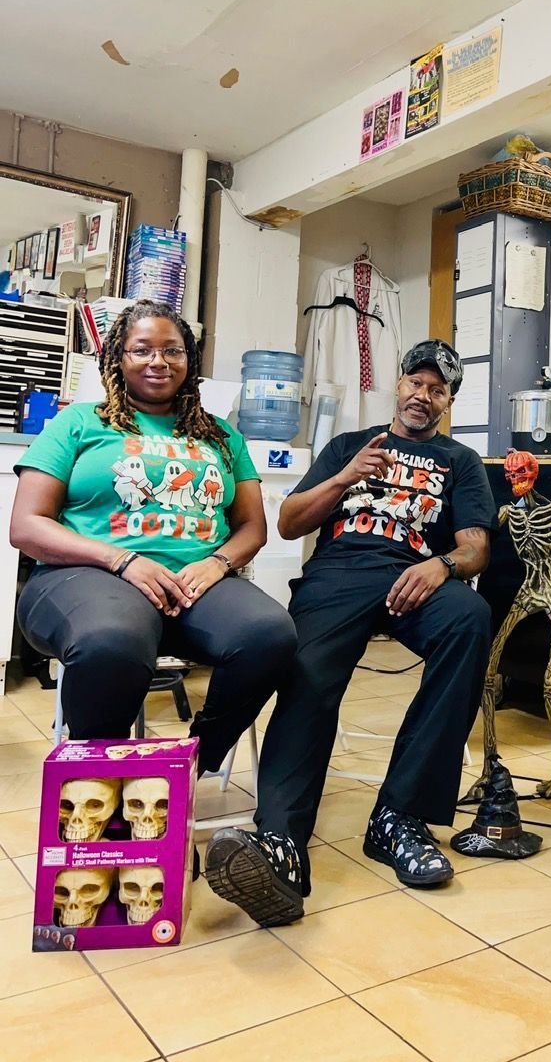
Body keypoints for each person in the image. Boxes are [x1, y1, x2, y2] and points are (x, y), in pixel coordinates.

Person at [205, 339, 496, 926]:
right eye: (415, 383)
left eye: (437, 389)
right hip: (339, 574)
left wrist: (442, 565)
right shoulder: (346, 445)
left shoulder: (460, 461)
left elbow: (477, 547)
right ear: (399, 384)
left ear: (449, 400)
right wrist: (344, 476)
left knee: (470, 620)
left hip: (416, 576)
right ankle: (281, 843)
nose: (423, 395)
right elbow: (287, 524)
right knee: (308, 675)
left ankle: (399, 818)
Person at [10, 299, 297, 774]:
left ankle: (186, 768)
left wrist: (218, 563)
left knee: (269, 634)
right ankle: (100, 786)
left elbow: (252, 526)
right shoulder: (80, 422)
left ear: (189, 360)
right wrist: (122, 560)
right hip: (86, 577)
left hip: (197, 581)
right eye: (142, 349)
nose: (159, 361)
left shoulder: (222, 436)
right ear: (118, 358)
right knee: (111, 642)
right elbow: (27, 525)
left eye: (173, 350)